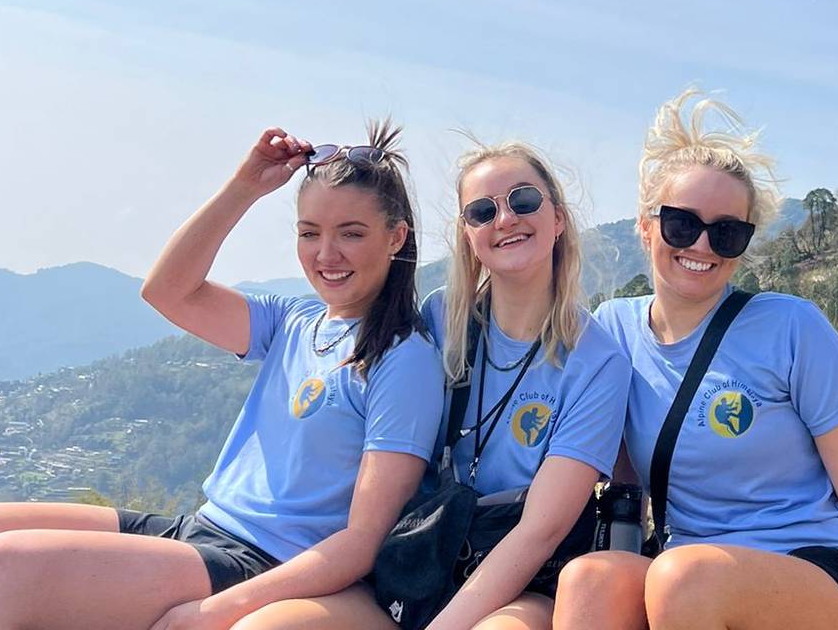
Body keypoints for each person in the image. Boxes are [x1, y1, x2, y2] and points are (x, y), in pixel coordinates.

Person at [0, 124, 445, 630]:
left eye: (351, 233)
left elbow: (359, 544)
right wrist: (244, 187)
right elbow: (168, 290)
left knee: (2, 569)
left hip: (267, 562)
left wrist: (215, 611)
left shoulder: (403, 359)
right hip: (205, 529)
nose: (326, 254)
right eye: (310, 233)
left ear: (395, 238)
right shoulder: (296, 321)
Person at [553, 91, 838, 630]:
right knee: (590, 580)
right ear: (646, 226)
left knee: (683, 578)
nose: (702, 245)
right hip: (687, 571)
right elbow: (618, 473)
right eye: (681, 224)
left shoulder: (792, 328)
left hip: (826, 573)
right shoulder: (614, 330)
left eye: (727, 232)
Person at [256, 141, 629, 630]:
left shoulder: (597, 361)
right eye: (481, 211)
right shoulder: (440, 319)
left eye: (523, 201)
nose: (505, 219)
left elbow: (541, 530)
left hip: (521, 581)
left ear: (557, 218)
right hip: (419, 558)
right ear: (468, 234)